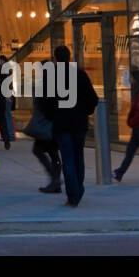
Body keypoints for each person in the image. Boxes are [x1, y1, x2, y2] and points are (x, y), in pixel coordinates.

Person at [51, 44, 99, 207]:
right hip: (79, 123)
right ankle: (78, 188)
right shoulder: (80, 74)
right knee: (78, 157)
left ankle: (73, 195)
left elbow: (44, 101)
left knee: (68, 159)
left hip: (62, 123)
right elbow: (93, 99)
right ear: (69, 57)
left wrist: (53, 116)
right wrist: (85, 111)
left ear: (55, 58)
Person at [27, 66, 63, 194]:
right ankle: (55, 181)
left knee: (39, 150)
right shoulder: (55, 84)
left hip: (46, 125)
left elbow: (42, 106)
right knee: (53, 154)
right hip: (53, 125)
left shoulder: (45, 86)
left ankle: (55, 179)